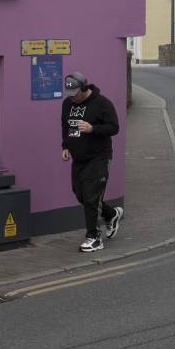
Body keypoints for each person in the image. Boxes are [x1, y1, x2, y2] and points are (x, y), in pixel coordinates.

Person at [60, 71, 124, 252]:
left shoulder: (102, 103)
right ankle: (111, 215)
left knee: (91, 197)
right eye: (69, 94)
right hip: (78, 158)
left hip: (99, 157)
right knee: (80, 194)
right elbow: (65, 126)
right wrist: (65, 146)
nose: (72, 98)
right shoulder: (67, 104)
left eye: (75, 94)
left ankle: (94, 237)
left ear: (84, 88)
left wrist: (92, 128)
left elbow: (114, 128)